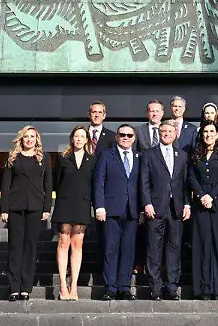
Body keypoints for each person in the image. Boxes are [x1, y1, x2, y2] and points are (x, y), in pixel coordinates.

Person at [0, 125, 53, 301]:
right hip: (15, 207)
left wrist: (46, 207)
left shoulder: (44, 158)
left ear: (37, 139)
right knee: (15, 247)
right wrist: (4, 209)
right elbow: (5, 186)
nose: (29, 139)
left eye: (32, 136)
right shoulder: (13, 158)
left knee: (30, 247)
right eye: (26, 137)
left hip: (35, 207)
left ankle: (26, 288)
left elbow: (48, 185)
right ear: (21, 139)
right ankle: (14, 287)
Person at [139, 122, 190, 300]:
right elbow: (144, 182)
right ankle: (155, 289)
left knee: (174, 249)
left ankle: (172, 288)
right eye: (163, 131)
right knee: (154, 249)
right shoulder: (148, 154)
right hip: (155, 208)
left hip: (176, 209)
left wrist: (187, 204)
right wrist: (146, 203)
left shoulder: (182, 155)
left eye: (170, 131)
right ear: (159, 134)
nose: (166, 134)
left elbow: (185, 183)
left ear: (176, 134)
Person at [188, 120, 218, 299]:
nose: (208, 135)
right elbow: (191, 177)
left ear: (217, 134)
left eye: (211, 131)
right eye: (205, 132)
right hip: (201, 205)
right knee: (203, 244)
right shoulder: (196, 154)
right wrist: (201, 196)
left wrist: (211, 196)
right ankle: (204, 288)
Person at [94, 124, 141, 301]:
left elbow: (142, 185)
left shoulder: (139, 156)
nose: (126, 138)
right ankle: (110, 287)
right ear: (116, 137)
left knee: (128, 251)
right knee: (110, 250)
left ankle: (124, 287)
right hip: (111, 211)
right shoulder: (107, 155)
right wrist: (99, 206)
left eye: (129, 135)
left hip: (133, 211)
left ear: (134, 138)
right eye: (122, 134)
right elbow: (99, 182)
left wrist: (142, 209)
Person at [52, 126, 95, 301]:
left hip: (82, 205)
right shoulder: (63, 158)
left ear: (87, 140)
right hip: (64, 203)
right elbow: (56, 182)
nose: (78, 139)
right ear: (72, 138)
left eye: (82, 136)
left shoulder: (92, 160)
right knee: (63, 241)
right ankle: (63, 285)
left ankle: (74, 285)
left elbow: (93, 183)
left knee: (77, 243)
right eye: (76, 136)